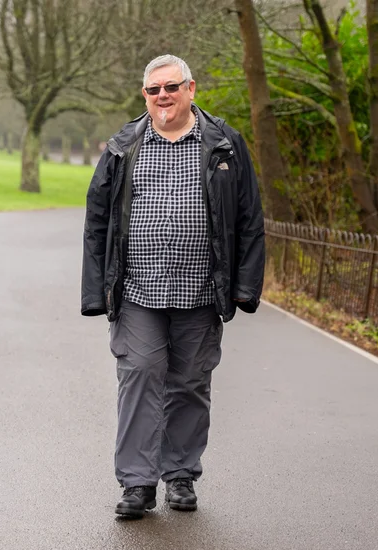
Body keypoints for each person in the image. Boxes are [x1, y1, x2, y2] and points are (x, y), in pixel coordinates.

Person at [80, 55, 265, 518]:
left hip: (200, 290)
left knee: (190, 382)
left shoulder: (224, 143)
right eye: (153, 90)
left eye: (171, 87)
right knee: (139, 373)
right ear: (144, 95)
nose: (162, 96)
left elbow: (248, 218)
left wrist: (244, 286)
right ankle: (138, 483)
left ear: (191, 89)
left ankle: (180, 474)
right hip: (138, 289)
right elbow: (97, 219)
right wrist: (93, 291)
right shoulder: (124, 144)